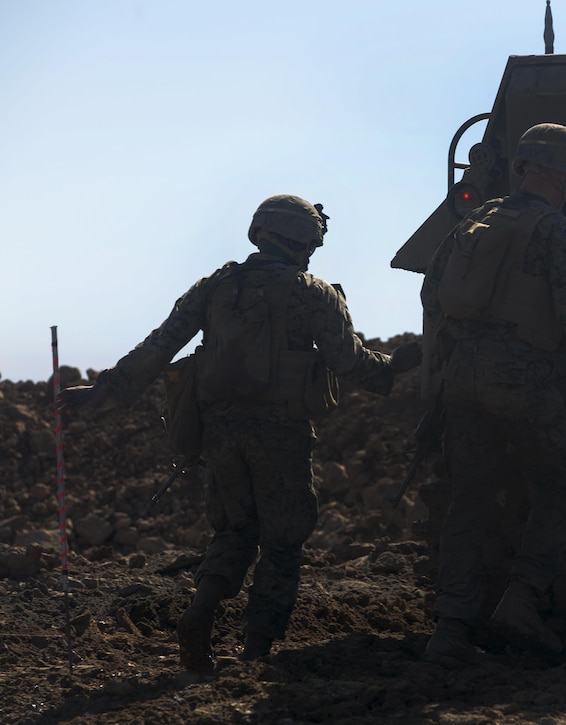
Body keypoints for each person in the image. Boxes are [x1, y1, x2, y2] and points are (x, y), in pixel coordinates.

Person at [57, 194, 421, 671]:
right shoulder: (312, 291)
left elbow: (160, 345)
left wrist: (102, 391)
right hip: (281, 434)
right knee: (283, 540)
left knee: (234, 530)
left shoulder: (215, 286)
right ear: (304, 241)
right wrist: (400, 368)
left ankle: (200, 613)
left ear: (260, 232)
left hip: (219, 431)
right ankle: (255, 651)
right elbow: (349, 363)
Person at [419, 123, 566, 668]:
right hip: (520, 376)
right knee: (563, 476)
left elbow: (432, 293)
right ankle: (521, 600)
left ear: (523, 167)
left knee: (468, 499)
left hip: (462, 376)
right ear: (564, 176)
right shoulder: (558, 232)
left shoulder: (473, 222)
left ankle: (449, 630)